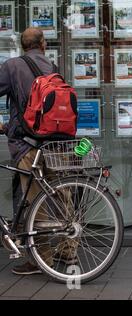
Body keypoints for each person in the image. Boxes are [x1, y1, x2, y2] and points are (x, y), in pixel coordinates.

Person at [0, 28, 77, 275]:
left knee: (35, 201)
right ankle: (69, 251)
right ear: (43, 43)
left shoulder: (12, 66)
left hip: (26, 144)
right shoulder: (53, 66)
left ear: (22, 45)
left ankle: (40, 260)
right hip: (56, 143)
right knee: (61, 194)